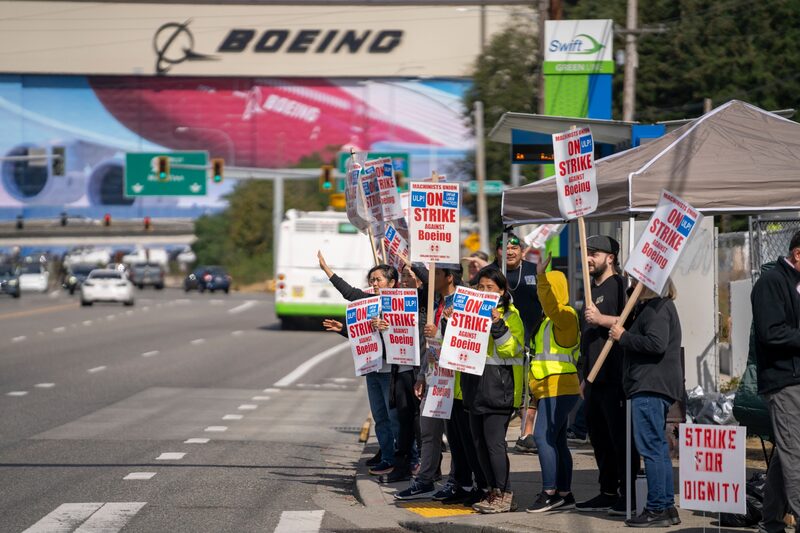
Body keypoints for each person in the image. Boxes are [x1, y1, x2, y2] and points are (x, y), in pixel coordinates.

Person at [318, 252, 419, 483]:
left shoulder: (402, 302)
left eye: (378, 280)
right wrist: (343, 328)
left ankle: (411, 458)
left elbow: (410, 332)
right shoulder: (366, 301)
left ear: (392, 283)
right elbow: (350, 294)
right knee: (380, 417)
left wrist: (388, 326)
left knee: (396, 418)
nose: (373, 284)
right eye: (371, 280)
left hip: (393, 371)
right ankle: (388, 457)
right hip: (372, 368)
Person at [575, 235, 640, 516]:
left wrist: (602, 319)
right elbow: (586, 338)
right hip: (592, 380)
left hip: (615, 378)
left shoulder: (621, 287)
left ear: (610, 258)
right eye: (586, 252)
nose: (588, 258)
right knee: (599, 439)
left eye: (594, 253)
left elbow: (631, 322)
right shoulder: (589, 290)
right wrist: (582, 375)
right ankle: (607, 491)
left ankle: (630, 495)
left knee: (621, 440)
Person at [609, 278, 682, 528]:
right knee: (658, 449)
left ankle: (656, 508)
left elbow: (656, 343)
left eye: (636, 281)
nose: (632, 284)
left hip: (650, 385)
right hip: (652, 385)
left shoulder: (657, 308)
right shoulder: (652, 307)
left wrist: (624, 336)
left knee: (651, 448)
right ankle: (665, 505)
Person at [467, 233, 542, 455]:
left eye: (514, 247)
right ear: (496, 251)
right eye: (504, 247)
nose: (509, 251)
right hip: (498, 342)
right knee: (512, 393)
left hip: (530, 336)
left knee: (529, 393)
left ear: (523, 251)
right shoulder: (488, 273)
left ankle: (525, 434)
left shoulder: (532, 270)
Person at [461, 266, 525, 514]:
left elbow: (512, 349)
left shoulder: (511, 316)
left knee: (494, 444)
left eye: (490, 288)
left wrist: (497, 324)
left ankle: (505, 493)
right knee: (478, 444)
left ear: (502, 291)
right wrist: (449, 321)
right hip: (474, 386)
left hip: (499, 388)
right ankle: (492, 491)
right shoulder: (469, 311)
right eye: (481, 287)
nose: (485, 292)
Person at [752, 231, 800, 533]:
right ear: (798, 254)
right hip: (783, 381)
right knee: (795, 455)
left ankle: (771, 522)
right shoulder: (771, 283)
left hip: (794, 377)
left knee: (787, 455)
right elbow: (771, 333)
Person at [526, 253, 581, 513]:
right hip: (550, 388)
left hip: (560, 387)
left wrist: (540, 276)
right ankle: (564, 493)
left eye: (546, 286)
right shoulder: (549, 321)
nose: (540, 292)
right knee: (557, 441)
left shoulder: (565, 316)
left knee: (542, 437)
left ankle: (549, 493)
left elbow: (551, 305)